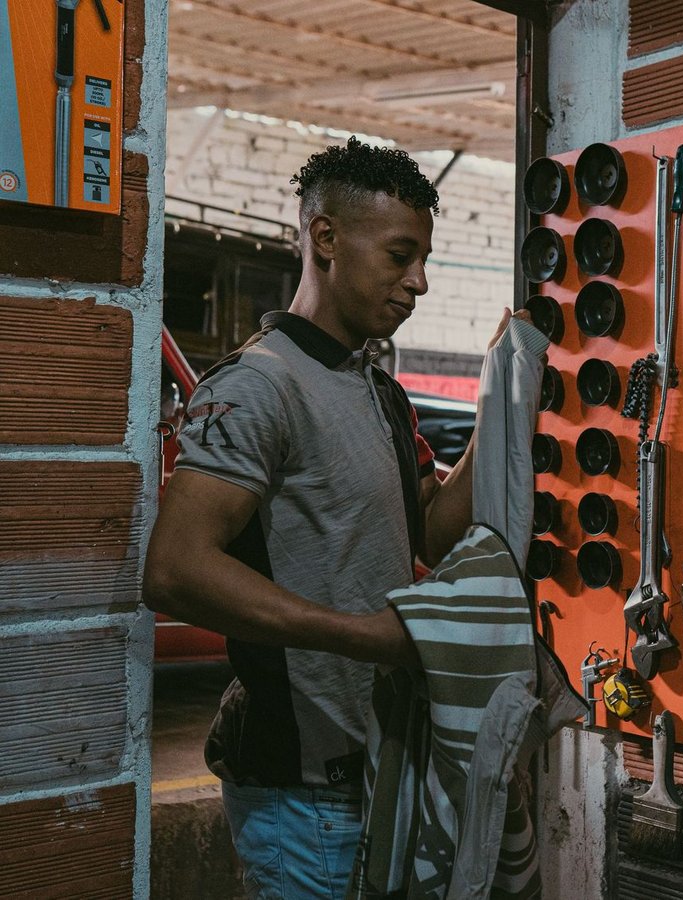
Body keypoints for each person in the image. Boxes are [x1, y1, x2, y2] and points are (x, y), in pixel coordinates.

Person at [144, 136, 516, 899]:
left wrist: (498, 398)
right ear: (326, 239)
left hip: (377, 767)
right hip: (300, 791)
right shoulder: (258, 386)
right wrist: (365, 636)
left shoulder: (378, 391)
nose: (417, 282)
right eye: (399, 255)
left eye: (425, 260)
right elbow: (175, 570)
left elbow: (434, 533)